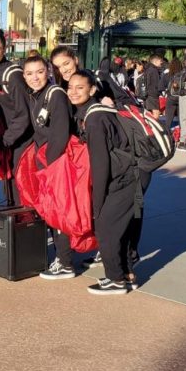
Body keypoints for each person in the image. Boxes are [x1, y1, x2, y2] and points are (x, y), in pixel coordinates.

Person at [67, 70, 138, 295]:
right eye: (70, 87)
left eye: (80, 88)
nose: (73, 92)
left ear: (92, 90)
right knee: (120, 229)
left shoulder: (95, 118)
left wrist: (97, 202)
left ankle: (115, 279)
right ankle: (126, 275)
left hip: (123, 178)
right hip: (130, 174)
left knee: (106, 228)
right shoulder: (96, 112)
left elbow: (101, 164)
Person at [22, 54, 76, 280]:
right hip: (45, 160)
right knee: (50, 211)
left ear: (48, 72)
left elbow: (61, 133)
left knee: (59, 212)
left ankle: (65, 263)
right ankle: (61, 259)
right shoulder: (36, 95)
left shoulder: (56, 95)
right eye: (29, 73)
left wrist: (49, 166)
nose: (35, 77)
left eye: (40, 72)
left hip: (55, 163)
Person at [0, 28, 33, 205]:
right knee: (9, 188)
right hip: (6, 139)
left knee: (22, 190)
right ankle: (13, 228)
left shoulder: (13, 75)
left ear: (4, 49)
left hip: (20, 141)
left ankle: (26, 228)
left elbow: (24, 114)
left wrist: (5, 140)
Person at [162, 58, 184, 133]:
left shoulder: (167, 75)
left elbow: (160, 87)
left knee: (168, 119)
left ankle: (167, 135)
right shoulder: (183, 75)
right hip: (181, 98)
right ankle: (181, 137)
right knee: (182, 119)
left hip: (170, 98)